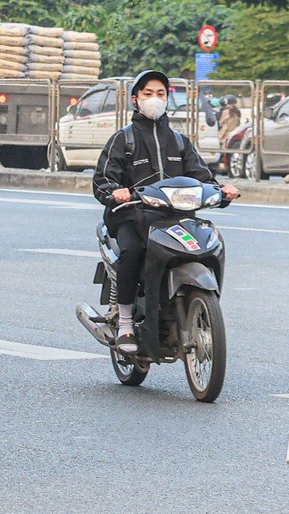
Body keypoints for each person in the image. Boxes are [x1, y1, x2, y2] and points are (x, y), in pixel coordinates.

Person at [92, 69, 239, 354]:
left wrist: (222, 191)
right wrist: (115, 192)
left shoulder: (180, 141)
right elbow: (102, 180)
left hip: (174, 218)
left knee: (204, 243)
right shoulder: (123, 140)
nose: (154, 100)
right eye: (148, 94)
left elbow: (202, 178)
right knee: (132, 251)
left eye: (160, 94)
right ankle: (124, 323)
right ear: (135, 100)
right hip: (131, 216)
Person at [216, 94, 244, 173]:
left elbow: (221, 123)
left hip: (226, 134)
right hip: (234, 133)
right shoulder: (237, 112)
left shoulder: (226, 112)